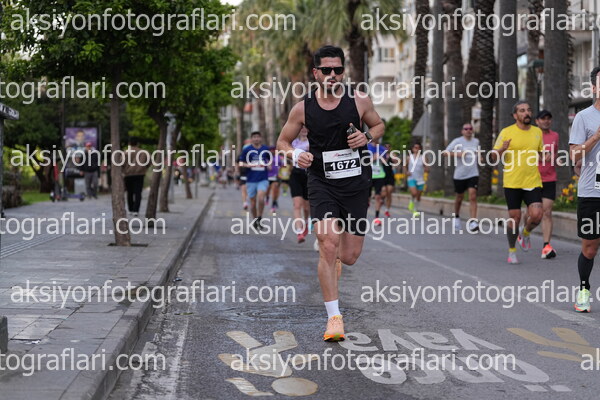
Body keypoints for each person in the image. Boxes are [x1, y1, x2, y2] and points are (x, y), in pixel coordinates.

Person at [276, 45, 384, 341]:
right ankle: (334, 318)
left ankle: (336, 260)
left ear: (343, 72)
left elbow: (379, 124)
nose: (332, 75)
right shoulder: (303, 108)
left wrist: (367, 136)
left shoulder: (359, 100)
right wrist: (296, 154)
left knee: (348, 256)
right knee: (327, 242)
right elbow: (282, 142)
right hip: (321, 182)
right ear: (316, 73)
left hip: (356, 184)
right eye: (326, 70)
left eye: (338, 69)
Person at [491, 101, 543, 264]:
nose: (526, 113)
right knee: (515, 218)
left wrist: (545, 156)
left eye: (528, 110)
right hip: (512, 182)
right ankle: (512, 250)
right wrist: (502, 149)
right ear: (515, 115)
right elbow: (493, 156)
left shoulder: (537, 132)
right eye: (522, 110)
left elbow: (540, 152)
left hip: (532, 180)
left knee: (537, 215)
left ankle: (525, 233)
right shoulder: (506, 132)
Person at [568, 66, 600, 313]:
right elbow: (574, 155)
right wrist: (596, 137)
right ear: (594, 88)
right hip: (592, 192)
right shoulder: (584, 117)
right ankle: (584, 290)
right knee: (590, 248)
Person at [443, 123, 480, 231]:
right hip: (460, 175)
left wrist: (480, 157)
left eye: (470, 128)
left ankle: (473, 221)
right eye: (466, 129)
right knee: (459, 197)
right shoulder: (457, 141)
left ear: (472, 130)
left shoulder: (476, 141)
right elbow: (445, 153)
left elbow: (477, 153)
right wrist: (458, 154)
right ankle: (456, 217)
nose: (468, 130)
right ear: (462, 131)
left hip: (473, 173)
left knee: (472, 196)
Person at [535, 110, 559, 259]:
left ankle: (546, 246)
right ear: (537, 121)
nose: (546, 121)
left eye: (548, 119)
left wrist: (556, 159)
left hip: (550, 178)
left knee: (547, 212)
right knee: (533, 214)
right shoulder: (532, 135)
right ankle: (525, 230)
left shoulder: (555, 135)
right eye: (543, 119)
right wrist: (541, 156)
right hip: (533, 179)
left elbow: (555, 153)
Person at [239, 131, 270, 230]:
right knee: (252, 203)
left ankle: (260, 217)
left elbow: (270, 160)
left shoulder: (265, 149)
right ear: (251, 139)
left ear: (261, 138)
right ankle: (255, 220)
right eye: (254, 137)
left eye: (258, 137)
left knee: (261, 198)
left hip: (263, 178)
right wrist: (248, 165)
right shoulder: (247, 150)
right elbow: (240, 163)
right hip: (251, 179)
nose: (256, 139)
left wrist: (269, 165)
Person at [289, 125, 311, 243]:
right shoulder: (294, 143)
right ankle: (299, 231)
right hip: (296, 174)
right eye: (301, 128)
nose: (303, 130)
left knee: (306, 207)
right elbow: (287, 154)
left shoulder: (312, 142)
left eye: (305, 128)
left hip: (309, 175)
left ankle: (306, 221)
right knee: (297, 204)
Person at [123, 138, 150, 216]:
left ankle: (130, 209)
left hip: (128, 175)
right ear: (138, 143)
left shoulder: (125, 153)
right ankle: (136, 210)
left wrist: (124, 170)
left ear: (129, 143)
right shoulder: (144, 152)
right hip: (140, 174)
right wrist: (144, 168)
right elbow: (149, 162)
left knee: (129, 192)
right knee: (138, 193)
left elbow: (121, 163)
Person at [404, 142, 428, 218]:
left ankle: (415, 210)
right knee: (414, 193)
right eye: (415, 148)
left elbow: (426, 167)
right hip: (411, 178)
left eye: (419, 148)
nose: (417, 149)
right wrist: (406, 172)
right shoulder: (409, 157)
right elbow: (404, 166)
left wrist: (427, 169)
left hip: (420, 179)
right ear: (412, 149)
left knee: (418, 196)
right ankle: (411, 201)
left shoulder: (423, 157)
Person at [369, 141, 387, 226]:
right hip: (369, 175)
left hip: (379, 175)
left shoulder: (382, 148)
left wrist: (381, 157)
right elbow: (363, 162)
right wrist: (373, 158)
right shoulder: (366, 147)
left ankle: (376, 218)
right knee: (366, 198)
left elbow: (386, 163)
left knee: (378, 196)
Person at [382, 142, 396, 217]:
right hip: (382, 176)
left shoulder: (392, 154)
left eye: (389, 147)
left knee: (389, 192)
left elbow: (396, 161)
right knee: (384, 193)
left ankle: (387, 210)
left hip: (390, 176)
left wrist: (392, 157)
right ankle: (382, 199)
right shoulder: (381, 154)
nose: (387, 148)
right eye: (385, 146)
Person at [267, 146, 280, 213]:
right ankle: (267, 197)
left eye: (273, 150)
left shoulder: (278, 157)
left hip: (275, 177)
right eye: (271, 150)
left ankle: (273, 204)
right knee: (267, 190)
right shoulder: (266, 157)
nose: (272, 151)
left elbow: (282, 165)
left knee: (275, 191)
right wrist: (267, 165)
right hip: (267, 177)